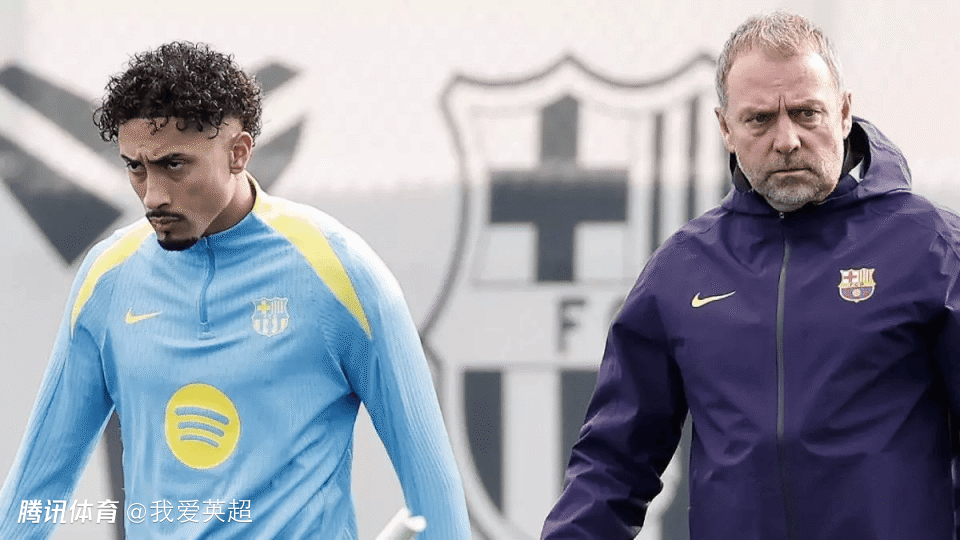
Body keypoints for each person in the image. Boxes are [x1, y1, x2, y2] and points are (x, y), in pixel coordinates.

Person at [0, 41, 470, 539]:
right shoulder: (107, 280)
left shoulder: (340, 273)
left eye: (174, 164)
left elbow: (433, 492)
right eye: (136, 166)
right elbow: (36, 489)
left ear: (238, 153)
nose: (153, 195)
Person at [542, 10, 960, 540]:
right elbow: (613, 463)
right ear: (726, 128)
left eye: (806, 113)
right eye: (760, 119)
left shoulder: (931, 248)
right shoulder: (682, 270)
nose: (786, 139)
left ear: (844, 113)